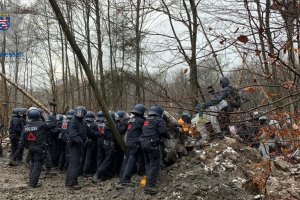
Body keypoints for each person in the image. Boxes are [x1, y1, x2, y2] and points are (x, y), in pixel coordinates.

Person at [10, 108, 56, 188]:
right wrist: (52, 116)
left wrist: (15, 155)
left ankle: (31, 180)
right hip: (40, 148)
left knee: (33, 164)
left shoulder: (26, 127)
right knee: (37, 165)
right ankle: (33, 183)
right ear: (38, 115)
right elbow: (53, 124)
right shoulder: (42, 125)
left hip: (30, 148)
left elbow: (21, 142)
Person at [65, 106, 100, 190]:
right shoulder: (72, 122)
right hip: (74, 145)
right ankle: (71, 184)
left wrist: (99, 134)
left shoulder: (83, 122)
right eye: (78, 112)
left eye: (81, 112)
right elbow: (73, 135)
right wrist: (82, 142)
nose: (79, 114)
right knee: (74, 164)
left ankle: (70, 181)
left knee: (75, 164)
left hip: (79, 145)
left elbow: (89, 132)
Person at [140, 105, 170, 195]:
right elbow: (162, 131)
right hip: (152, 143)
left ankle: (146, 183)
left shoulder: (147, 119)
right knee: (155, 163)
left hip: (143, 142)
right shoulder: (158, 119)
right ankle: (150, 187)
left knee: (148, 163)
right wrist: (167, 136)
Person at [120, 104, 146, 186]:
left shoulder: (131, 120)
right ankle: (126, 179)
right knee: (131, 161)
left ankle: (123, 177)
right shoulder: (141, 121)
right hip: (136, 143)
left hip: (128, 142)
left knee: (127, 160)